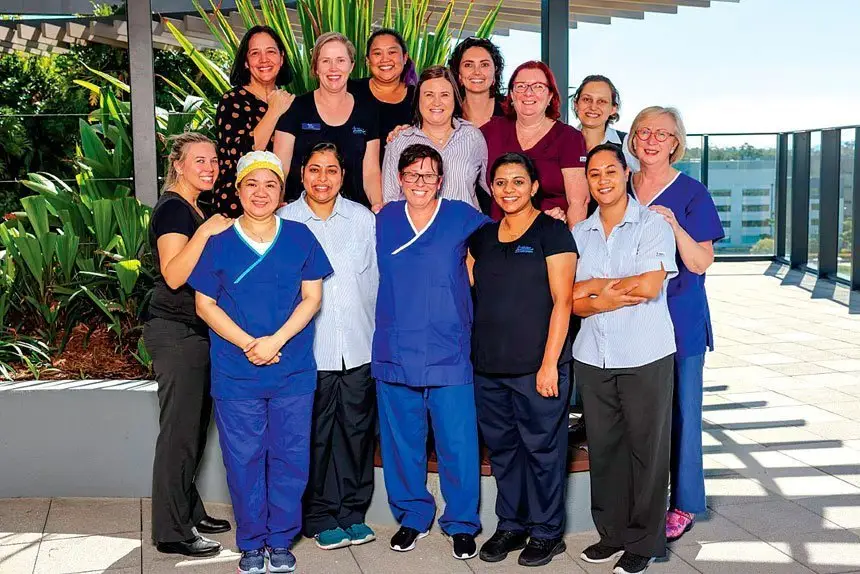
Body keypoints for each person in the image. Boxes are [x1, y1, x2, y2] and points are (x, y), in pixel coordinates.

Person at [189, 151, 333, 574]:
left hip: (291, 369)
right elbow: (204, 304)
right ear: (238, 190)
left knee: (290, 456)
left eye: (270, 185)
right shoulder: (218, 245)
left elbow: (312, 297)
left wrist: (276, 341)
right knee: (244, 458)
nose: (261, 193)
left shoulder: (300, 238)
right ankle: (252, 541)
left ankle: (281, 538)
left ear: (281, 192)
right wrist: (250, 342)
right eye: (252, 184)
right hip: (237, 372)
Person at [374, 144, 489, 560]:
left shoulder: (460, 215)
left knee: (457, 441)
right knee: (402, 440)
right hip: (395, 344)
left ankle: (461, 523)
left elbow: (506, 241)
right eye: (412, 175)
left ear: (441, 180)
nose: (421, 182)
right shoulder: (384, 219)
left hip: (449, 345)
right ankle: (412, 517)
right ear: (400, 179)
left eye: (429, 175)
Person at [572, 143, 678, 574]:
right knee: (606, 448)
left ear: (626, 173)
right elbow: (572, 301)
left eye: (610, 171)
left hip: (645, 354)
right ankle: (611, 534)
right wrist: (612, 290)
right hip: (593, 357)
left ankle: (644, 540)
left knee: (647, 451)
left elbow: (650, 287)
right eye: (594, 174)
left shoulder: (653, 225)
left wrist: (597, 288)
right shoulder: (579, 234)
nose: (602, 180)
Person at [468, 153, 576, 567]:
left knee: (544, 452)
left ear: (533, 187)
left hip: (538, 367)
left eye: (517, 181)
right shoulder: (482, 238)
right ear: (492, 189)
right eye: (500, 182)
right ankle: (511, 525)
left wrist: (550, 363)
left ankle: (547, 532)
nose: (508, 189)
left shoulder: (553, 233)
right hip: (489, 367)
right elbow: (473, 293)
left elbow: (563, 302)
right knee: (504, 452)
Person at [628, 107, 724, 543]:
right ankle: (640, 495)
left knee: (683, 413)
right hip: (628, 317)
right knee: (639, 413)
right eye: (643, 131)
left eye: (661, 134)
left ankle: (683, 502)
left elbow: (702, 261)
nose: (651, 139)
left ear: (675, 143)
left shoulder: (691, 192)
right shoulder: (618, 184)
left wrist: (673, 225)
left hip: (678, 317)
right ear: (632, 138)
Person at [277, 143, 379, 550]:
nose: (323, 178)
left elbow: (375, 280)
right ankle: (318, 516)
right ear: (302, 175)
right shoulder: (285, 220)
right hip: (308, 351)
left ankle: (352, 513)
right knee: (314, 436)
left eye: (331, 170)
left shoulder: (362, 219)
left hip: (359, 345)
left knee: (356, 435)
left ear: (343, 175)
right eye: (314, 170)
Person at [145, 133, 234, 557]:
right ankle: (171, 532)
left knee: (195, 430)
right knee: (179, 434)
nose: (210, 166)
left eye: (214, 160)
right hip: (175, 331)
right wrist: (210, 231)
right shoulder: (174, 210)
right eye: (200, 160)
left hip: (195, 332)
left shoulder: (193, 207)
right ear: (178, 165)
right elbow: (175, 274)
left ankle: (189, 509)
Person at [274, 32, 382, 210]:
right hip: (300, 214)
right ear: (316, 67)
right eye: (325, 61)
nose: (333, 68)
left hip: (353, 215)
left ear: (351, 65)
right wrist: (277, 203)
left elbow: (370, 172)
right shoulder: (294, 109)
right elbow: (280, 168)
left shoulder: (367, 112)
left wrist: (378, 205)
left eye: (340, 60)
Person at [481, 61, 588, 227]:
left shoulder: (569, 138)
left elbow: (578, 202)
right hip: (500, 236)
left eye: (538, 86)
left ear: (550, 96)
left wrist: (572, 247)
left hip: (551, 237)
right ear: (511, 94)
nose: (528, 93)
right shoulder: (491, 132)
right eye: (521, 86)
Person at [213, 26, 295, 217]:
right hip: (238, 208)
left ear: (281, 58)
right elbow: (243, 155)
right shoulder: (232, 101)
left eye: (271, 52)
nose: (264, 59)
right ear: (246, 62)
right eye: (255, 53)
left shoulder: (291, 102)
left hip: (284, 207)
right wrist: (273, 111)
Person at [382, 66, 488, 208]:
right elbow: (390, 201)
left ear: (455, 98)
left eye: (444, 95)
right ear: (418, 99)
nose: (436, 102)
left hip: (466, 228)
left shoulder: (473, 136)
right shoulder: (399, 142)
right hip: (417, 229)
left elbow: (491, 186)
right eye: (429, 95)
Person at [349, 28, 417, 165]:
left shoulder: (419, 97)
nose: (385, 59)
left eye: (392, 52)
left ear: (404, 58)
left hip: (400, 182)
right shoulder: (349, 90)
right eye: (377, 53)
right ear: (368, 61)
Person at [571, 74, 638, 175]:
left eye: (601, 101)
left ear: (613, 109)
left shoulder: (627, 144)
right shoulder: (563, 141)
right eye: (586, 99)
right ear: (576, 104)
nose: (593, 107)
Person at [448, 37, 506, 128]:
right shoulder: (449, 113)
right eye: (468, 65)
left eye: (484, 65)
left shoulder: (511, 110)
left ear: (495, 70)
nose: (477, 72)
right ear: (458, 73)